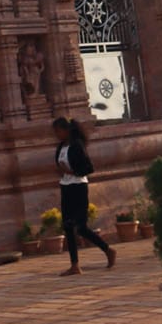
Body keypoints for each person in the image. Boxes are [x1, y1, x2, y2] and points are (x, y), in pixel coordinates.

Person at [49, 117, 117, 276]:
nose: (56, 135)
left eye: (58, 131)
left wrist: (71, 172)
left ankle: (108, 250)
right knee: (68, 226)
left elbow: (89, 167)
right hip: (66, 187)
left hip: (78, 186)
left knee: (81, 227)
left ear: (65, 130)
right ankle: (75, 265)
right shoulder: (61, 147)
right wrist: (62, 172)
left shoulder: (77, 145)